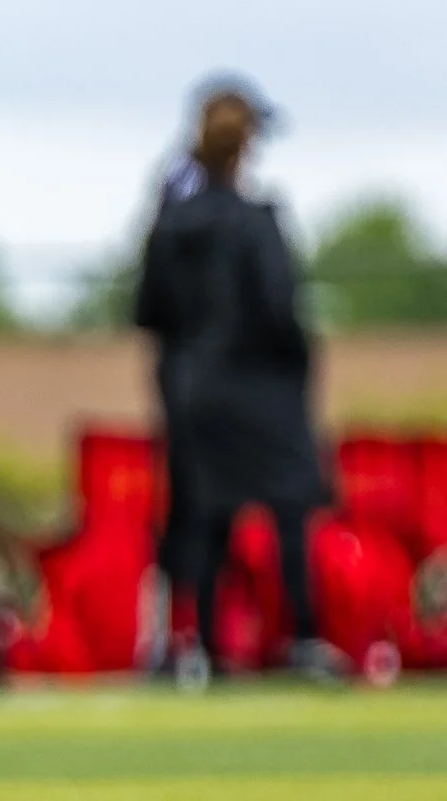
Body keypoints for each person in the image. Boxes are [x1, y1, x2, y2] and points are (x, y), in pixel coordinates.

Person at [133, 83, 335, 676]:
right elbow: (279, 308)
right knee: (292, 505)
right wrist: (298, 362)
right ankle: (302, 635)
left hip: (195, 388)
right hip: (262, 386)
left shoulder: (170, 224)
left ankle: (198, 642)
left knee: (201, 512)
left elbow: (148, 311)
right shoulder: (256, 222)